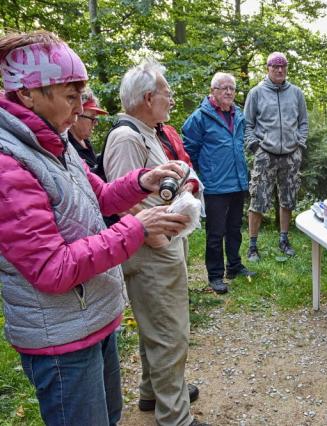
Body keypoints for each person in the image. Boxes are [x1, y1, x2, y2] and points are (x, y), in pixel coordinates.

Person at [0, 31, 190, 426]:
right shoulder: (10, 162)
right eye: (71, 97)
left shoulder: (56, 141)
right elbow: (52, 268)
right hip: (60, 340)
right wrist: (138, 227)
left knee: (110, 415)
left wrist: (143, 181)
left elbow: (98, 195)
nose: (82, 108)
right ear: (27, 95)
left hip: (91, 319)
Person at [102, 59, 207, 426]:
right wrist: (160, 234)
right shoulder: (127, 137)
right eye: (167, 93)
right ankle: (175, 417)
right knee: (169, 332)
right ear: (148, 97)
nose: (172, 99)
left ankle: (154, 392)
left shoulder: (148, 131)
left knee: (158, 326)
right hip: (150, 252)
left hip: (161, 245)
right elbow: (118, 202)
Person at [182, 72, 255, 295]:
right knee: (216, 233)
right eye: (223, 88)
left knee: (234, 229)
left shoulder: (238, 115)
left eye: (232, 88)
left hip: (237, 182)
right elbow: (188, 151)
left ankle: (234, 266)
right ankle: (215, 275)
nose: (229, 92)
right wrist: (200, 177)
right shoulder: (199, 118)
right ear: (212, 91)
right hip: (214, 185)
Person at [244, 51, 308, 261]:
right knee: (258, 199)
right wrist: (256, 147)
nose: (279, 70)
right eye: (275, 67)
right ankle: (253, 245)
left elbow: (303, 122)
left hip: (291, 154)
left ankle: (284, 239)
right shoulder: (256, 93)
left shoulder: (296, 93)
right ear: (268, 68)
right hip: (265, 154)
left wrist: (299, 144)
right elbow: (248, 124)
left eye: (283, 67)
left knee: (288, 199)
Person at [67, 86, 108, 172]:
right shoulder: (67, 148)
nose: (95, 123)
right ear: (76, 116)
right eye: (92, 118)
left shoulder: (84, 141)